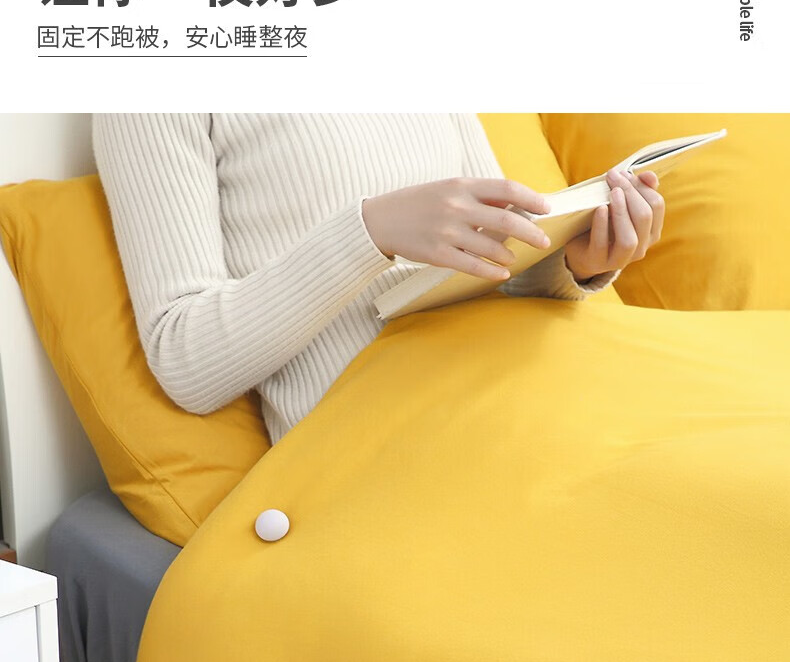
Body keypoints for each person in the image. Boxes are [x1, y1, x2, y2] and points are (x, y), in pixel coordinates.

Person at [92, 114, 664, 445]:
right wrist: (370, 232)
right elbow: (185, 359)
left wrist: (575, 263)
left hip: (515, 404)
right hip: (380, 453)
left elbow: (494, 268)